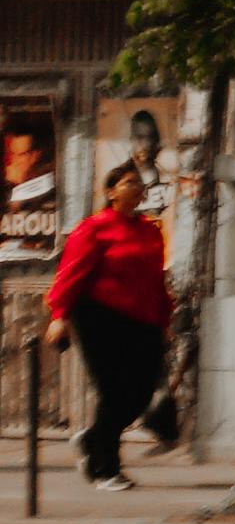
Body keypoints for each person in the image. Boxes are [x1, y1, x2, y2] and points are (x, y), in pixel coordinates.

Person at [46, 161, 173, 490]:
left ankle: (92, 438)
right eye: (128, 182)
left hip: (142, 320)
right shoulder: (94, 228)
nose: (136, 188)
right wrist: (59, 316)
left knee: (142, 393)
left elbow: (156, 280)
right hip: (99, 317)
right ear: (110, 192)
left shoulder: (150, 230)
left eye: (139, 183)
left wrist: (163, 321)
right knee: (113, 392)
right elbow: (71, 274)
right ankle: (105, 468)